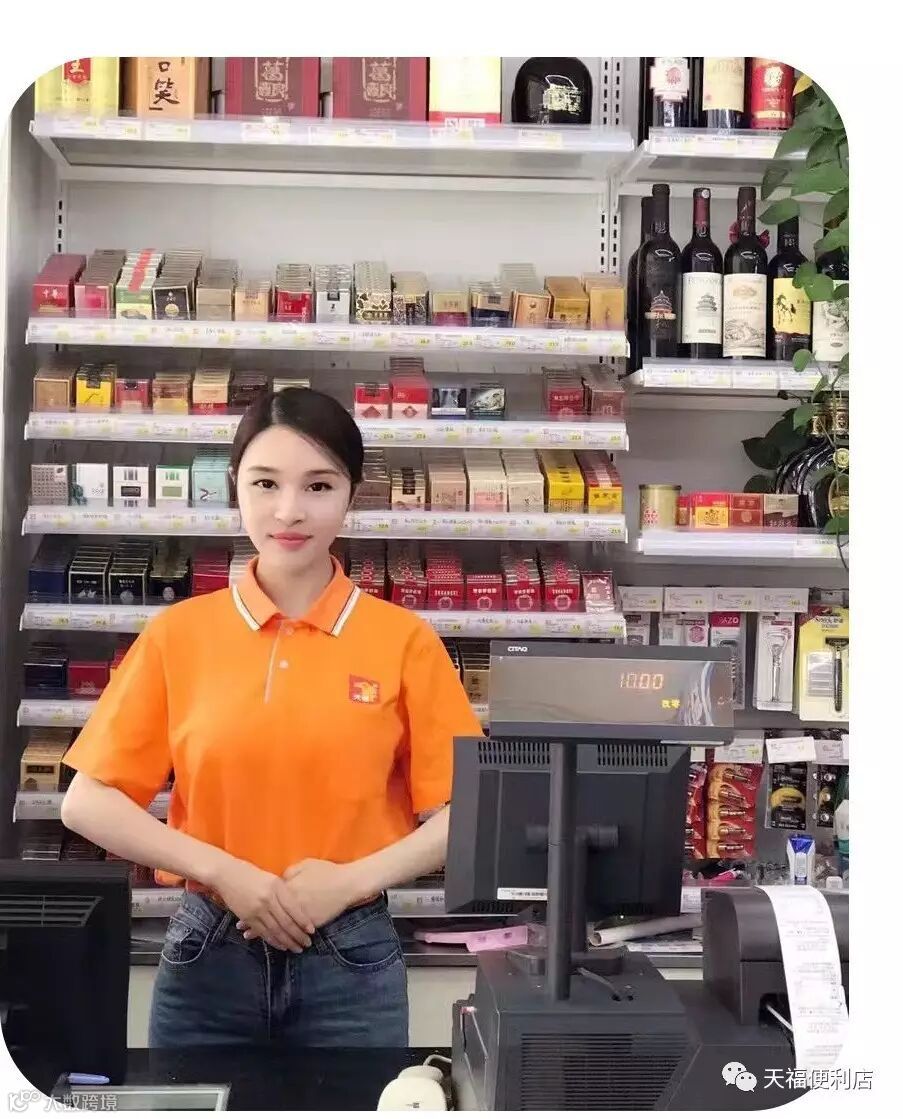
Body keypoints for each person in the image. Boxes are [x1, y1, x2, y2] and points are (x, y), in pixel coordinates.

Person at [60, 388, 484, 1048]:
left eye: (318, 485)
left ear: (351, 494)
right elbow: (86, 802)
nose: (289, 511)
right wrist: (227, 873)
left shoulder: (404, 641)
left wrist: (348, 881)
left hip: (351, 954)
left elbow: (471, 812)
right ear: (235, 487)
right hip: (208, 951)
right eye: (265, 483)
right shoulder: (179, 635)